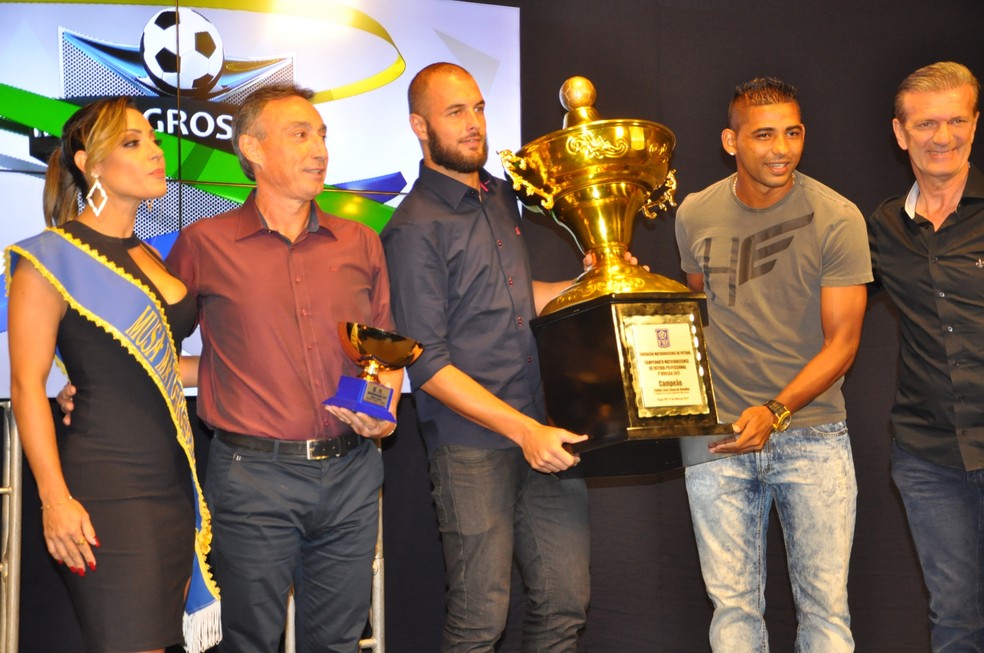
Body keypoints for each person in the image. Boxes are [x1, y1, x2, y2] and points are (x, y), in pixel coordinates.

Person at [165, 83, 401, 653]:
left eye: (322, 135)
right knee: (248, 642)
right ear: (252, 148)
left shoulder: (360, 242)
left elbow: (385, 353)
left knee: (339, 642)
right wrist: (95, 382)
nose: (319, 149)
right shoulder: (204, 243)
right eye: (300, 135)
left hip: (352, 473)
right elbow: (156, 345)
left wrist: (382, 409)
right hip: (252, 478)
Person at [380, 62, 591, 653]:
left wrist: (592, 285)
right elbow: (426, 363)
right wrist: (523, 431)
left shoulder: (500, 197)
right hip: (473, 447)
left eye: (477, 108)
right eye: (455, 112)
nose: (474, 123)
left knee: (565, 608)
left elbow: (518, 298)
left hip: (544, 428)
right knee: (480, 621)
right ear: (420, 126)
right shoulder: (413, 227)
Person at [6, 97, 220, 653]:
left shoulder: (150, 253)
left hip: (173, 482)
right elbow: (27, 386)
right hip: (107, 486)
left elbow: (162, 367)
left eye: (154, 140)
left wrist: (261, 370)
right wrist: (54, 500)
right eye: (132, 143)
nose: (155, 152)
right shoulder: (48, 258)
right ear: (89, 164)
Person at [674, 77, 871, 652]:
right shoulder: (695, 213)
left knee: (826, 614)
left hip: (812, 434)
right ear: (731, 141)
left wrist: (775, 411)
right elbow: (695, 310)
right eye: (764, 135)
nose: (781, 149)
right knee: (732, 613)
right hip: (716, 439)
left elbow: (843, 344)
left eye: (792, 133)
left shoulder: (838, 217)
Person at [867, 61, 982, 653]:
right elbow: (810, 299)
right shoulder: (883, 227)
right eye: (927, 123)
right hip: (928, 458)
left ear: (975, 123)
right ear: (900, 132)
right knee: (956, 621)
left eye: (957, 120)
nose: (943, 137)